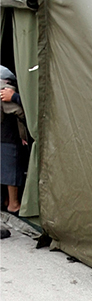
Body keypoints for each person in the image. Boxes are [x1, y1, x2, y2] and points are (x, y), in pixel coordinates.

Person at [0, 65, 28, 215]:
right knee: (11, 169)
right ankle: (13, 204)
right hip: (9, 137)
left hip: (6, 135)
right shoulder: (5, 92)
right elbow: (22, 114)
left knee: (6, 169)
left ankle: (7, 202)